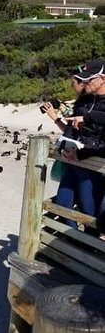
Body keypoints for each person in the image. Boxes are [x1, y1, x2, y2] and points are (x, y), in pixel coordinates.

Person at [59, 59, 105, 236]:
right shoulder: (85, 101)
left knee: (89, 209)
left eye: (89, 80)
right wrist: (65, 146)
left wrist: (82, 153)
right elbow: (71, 128)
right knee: (63, 202)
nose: (85, 83)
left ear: (102, 78)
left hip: (93, 164)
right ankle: (74, 241)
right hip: (76, 159)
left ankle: (89, 246)